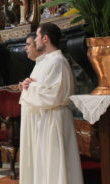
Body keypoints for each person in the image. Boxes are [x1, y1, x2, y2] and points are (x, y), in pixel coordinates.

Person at [19, 23, 83, 184]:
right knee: (45, 165)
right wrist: (27, 85)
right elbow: (39, 87)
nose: (36, 40)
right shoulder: (45, 62)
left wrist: (30, 88)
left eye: (38, 37)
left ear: (45, 38)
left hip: (54, 120)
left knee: (54, 165)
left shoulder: (58, 62)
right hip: (45, 119)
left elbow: (54, 95)